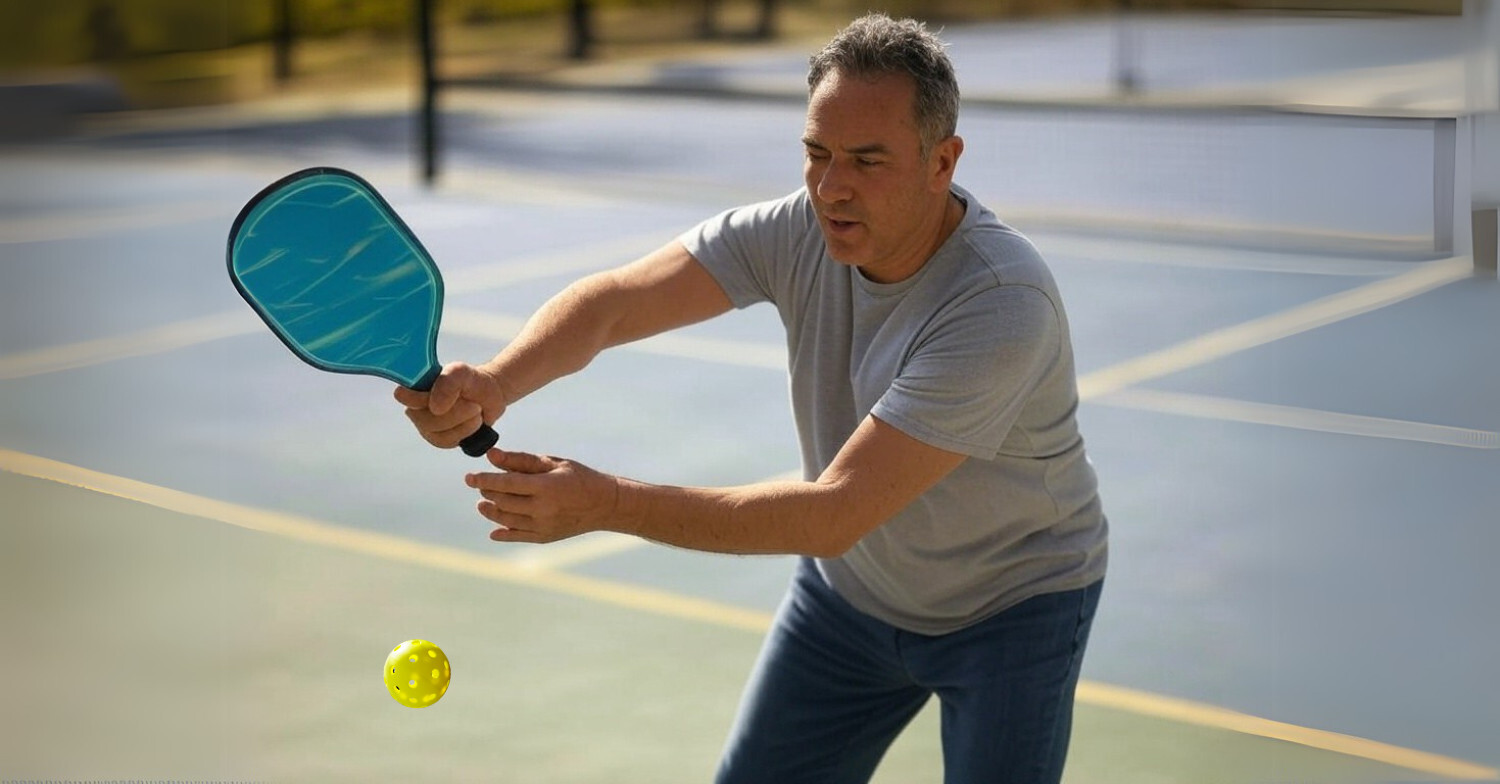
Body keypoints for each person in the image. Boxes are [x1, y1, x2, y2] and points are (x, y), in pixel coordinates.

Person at [395, 13, 1107, 784]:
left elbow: (833, 512)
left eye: (868, 161)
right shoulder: (799, 228)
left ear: (943, 162)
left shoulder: (999, 303)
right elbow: (614, 302)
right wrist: (496, 383)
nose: (833, 188)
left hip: (1010, 611)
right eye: (816, 153)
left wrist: (608, 503)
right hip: (851, 599)